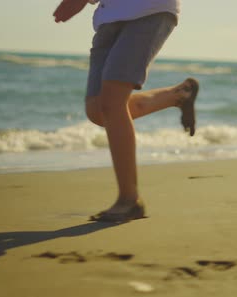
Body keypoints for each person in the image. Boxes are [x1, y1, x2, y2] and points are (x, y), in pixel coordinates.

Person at [53, 0, 199, 222]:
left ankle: (129, 200)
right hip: (108, 16)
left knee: (112, 102)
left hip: (148, 9)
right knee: (99, 110)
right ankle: (179, 95)